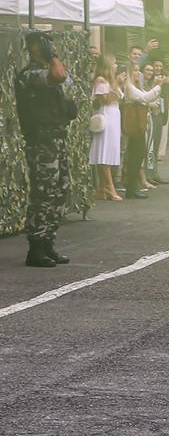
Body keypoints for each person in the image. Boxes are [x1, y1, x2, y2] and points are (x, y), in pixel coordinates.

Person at [14, 31, 76, 267]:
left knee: (60, 191)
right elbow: (58, 74)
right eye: (48, 44)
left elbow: (65, 81)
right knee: (43, 193)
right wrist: (51, 57)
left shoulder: (45, 71)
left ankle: (48, 242)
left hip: (56, 140)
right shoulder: (30, 74)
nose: (54, 48)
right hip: (41, 143)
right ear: (35, 48)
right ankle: (36, 248)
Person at [123, 64, 164, 199]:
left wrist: (156, 87)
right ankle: (132, 186)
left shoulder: (135, 86)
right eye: (135, 70)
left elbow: (146, 98)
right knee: (136, 154)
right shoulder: (129, 87)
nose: (138, 73)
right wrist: (158, 86)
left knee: (139, 153)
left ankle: (133, 186)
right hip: (134, 124)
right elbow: (145, 98)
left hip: (139, 124)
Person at [89, 54, 126, 201]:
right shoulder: (101, 80)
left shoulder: (110, 81)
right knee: (104, 152)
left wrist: (117, 84)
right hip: (106, 116)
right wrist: (116, 84)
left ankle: (102, 188)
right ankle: (110, 187)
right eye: (114, 63)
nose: (116, 66)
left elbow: (120, 98)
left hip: (114, 115)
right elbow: (106, 101)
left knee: (110, 150)